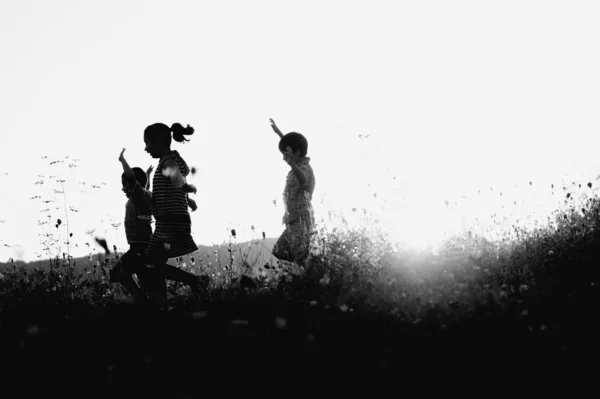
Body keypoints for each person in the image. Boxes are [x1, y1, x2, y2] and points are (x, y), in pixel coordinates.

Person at [111, 147, 205, 307]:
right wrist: (188, 201)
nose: (123, 188)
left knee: (120, 272)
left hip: (142, 246)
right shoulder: (144, 196)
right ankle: (192, 282)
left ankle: (141, 298)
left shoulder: (138, 196)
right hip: (143, 245)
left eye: (125, 184)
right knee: (154, 276)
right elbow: (149, 189)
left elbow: (134, 181)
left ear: (134, 184)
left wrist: (122, 161)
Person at [139, 122, 208, 302]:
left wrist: (185, 187)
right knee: (152, 264)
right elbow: (172, 187)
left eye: (148, 143)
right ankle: (163, 301)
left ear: (159, 141)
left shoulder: (167, 162)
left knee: (150, 263)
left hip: (170, 223)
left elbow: (175, 177)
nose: (146, 148)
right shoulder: (169, 159)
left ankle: (193, 283)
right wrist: (187, 198)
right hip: (170, 221)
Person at [269, 118, 316, 277]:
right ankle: (303, 276)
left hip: (301, 222)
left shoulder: (304, 169)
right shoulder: (298, 160)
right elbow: (294, 146)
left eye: (287, 155)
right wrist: (279, 134)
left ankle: (304, 280)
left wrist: (292, 165)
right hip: (292, 221)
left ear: (296, 153)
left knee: (300, 260)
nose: (284, 158)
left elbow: (303, 180)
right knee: (279, 251)